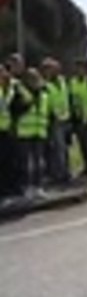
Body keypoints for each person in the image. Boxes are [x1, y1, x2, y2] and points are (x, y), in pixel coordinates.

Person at [13, 68, 48, 195]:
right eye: (31, 78)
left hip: (39, 132)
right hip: (25, 133)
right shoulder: (20, 93)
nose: (34, 80)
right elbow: (14, 110)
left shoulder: (44, 94)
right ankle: (27, 186)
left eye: (36, 77)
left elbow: (46, 114)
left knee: (39, 162)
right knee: (26, 163)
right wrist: (27, 104)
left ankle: (38, 186)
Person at [40, 58, 72, 186]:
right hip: (53, 121)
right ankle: (58, 174)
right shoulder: (44, 85)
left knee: (64, 148)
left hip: (65, 119)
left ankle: (65, 172)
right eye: (51, 68)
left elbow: (67, 98)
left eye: (56, 68)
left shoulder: (63, 81)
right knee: (56, 149)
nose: (55, 70)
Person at [0, 65, 20, 198]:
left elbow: (26, 100)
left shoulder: (14, 88)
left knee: (12, 161)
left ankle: (13, 188)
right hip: (1, 131)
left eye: (2, 72)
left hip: (11, 130)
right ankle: (4, 189)